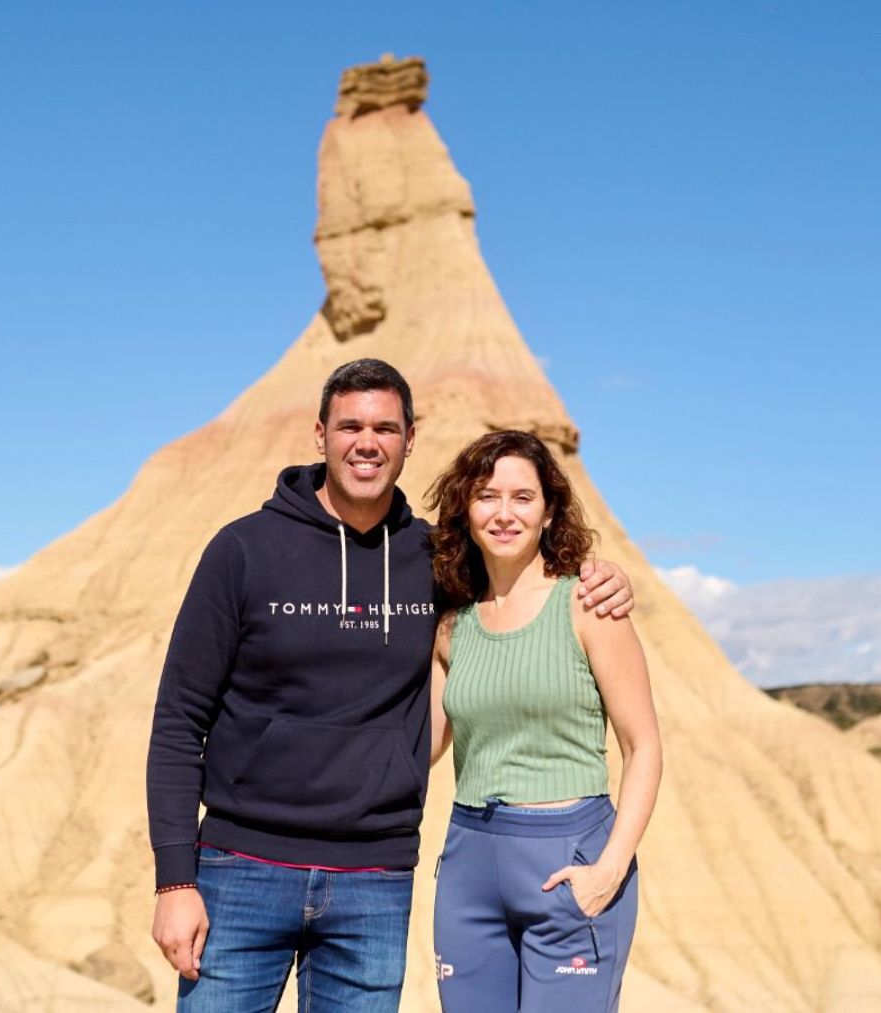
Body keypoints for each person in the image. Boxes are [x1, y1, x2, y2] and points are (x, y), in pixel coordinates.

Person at [146, 359, 637, 1013]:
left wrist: (604, 578)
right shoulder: (243, 551)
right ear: (319, 433)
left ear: (410, 438)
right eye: (350, 425)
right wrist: (176, 876)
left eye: (385, 426)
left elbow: (520, 584)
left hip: (373, 881)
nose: (366, 441)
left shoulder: (435, 560)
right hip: (241, 871)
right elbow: (180, 719)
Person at [424, 429, 662, 1013]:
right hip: (468, 867)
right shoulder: (453, 627)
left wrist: (610, 869)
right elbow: (418, 748)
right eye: (486, 496)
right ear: (466, 510)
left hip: (571, 860)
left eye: (522, 497)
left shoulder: (589, 606)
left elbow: (644, 746)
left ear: (549, 511)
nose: (504, 513)